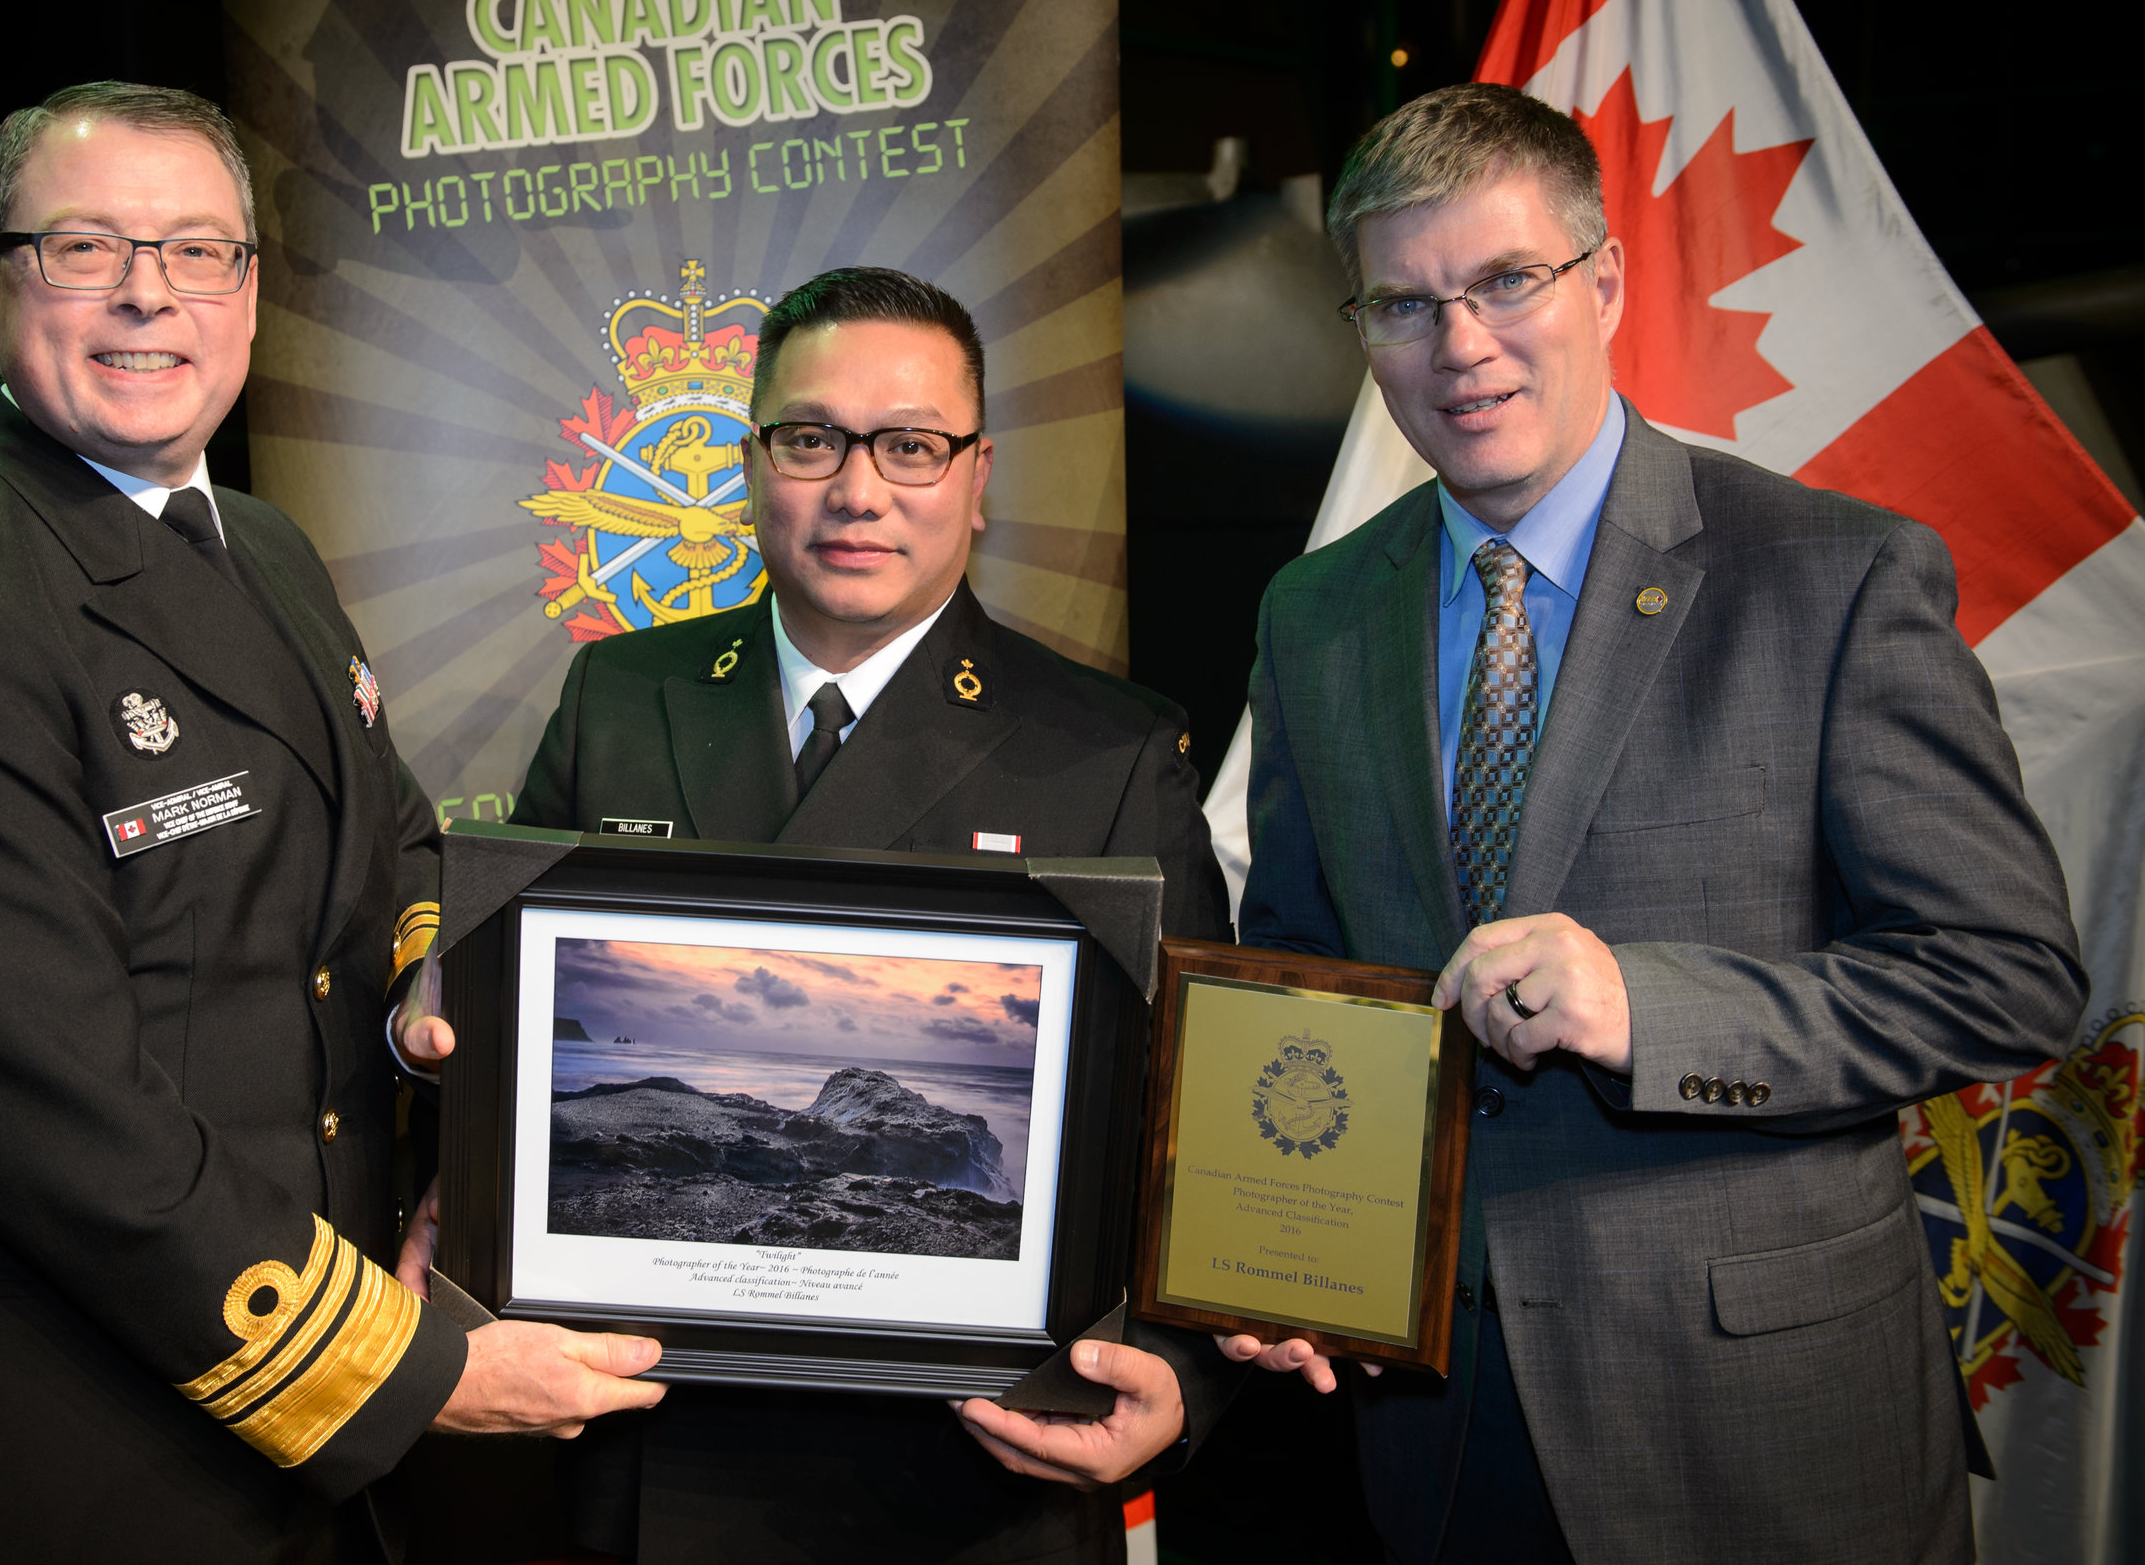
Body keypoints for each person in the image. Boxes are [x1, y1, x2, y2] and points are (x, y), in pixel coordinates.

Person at [0, 81, 663, 1565]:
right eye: (84, 248)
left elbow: (402, 846)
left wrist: (433, 997)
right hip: (77, 1438)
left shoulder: (269, 548)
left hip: (289, 1417)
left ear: (248, 296)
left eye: (196, 252)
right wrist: (403, 1365)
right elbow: (60, 1116)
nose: (146, 295)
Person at [1224, 81, 2086, 1564]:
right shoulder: (1315, 610)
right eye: (1405, 306)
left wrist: (1654, 1011)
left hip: (1764, 1423)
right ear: (1362, 334)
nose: (1463, 346)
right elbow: (1309, 966)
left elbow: (2007, 974)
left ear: (1605, 280)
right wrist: (1296, 1248)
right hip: (1435, 1422)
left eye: (1506, 282)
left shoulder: (1836, 575)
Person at [404, 265, 1236, 1563]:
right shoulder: (626, 694)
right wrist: (461, 1197)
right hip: (657, 1453)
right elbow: (507, 1038)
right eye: (812, 440)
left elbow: (1206, 1135)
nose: (858, 491)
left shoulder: (1107, 755)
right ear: (751, 465)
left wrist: (1182, 1380)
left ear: (978, 473)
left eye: (911, 445)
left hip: (971, 1484)